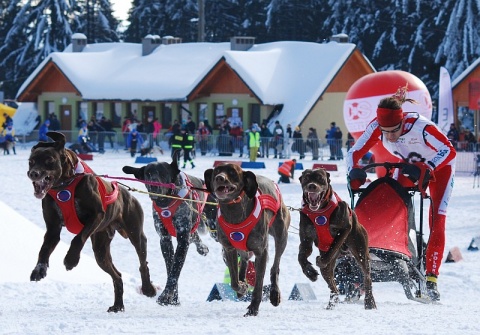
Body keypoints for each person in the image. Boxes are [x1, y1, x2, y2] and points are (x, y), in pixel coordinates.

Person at [346, 86, 456, 301]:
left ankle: (432, 278)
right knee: (388, 200)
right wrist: (353, 172)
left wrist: (429, 167)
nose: (389, 136)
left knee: (436, 218)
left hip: (440, 169)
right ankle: (381, 255)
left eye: (394, 131)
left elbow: (449, 150)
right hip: (409, 165)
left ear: (403, 122)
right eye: (384, 132)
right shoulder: (377, 126)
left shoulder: (420, 126)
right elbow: (353, 153)